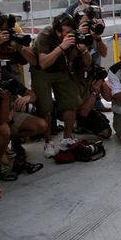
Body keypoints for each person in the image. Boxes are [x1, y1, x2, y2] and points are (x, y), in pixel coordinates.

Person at [31, 13, 81, 158]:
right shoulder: (45, 36)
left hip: (61, 69)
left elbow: (71, 58)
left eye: (70, 31)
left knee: (70, 102)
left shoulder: (73, 36)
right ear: (57, 31)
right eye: (65, 32)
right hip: (42, 72)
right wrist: (62, 46)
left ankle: (67, 138)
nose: (66, 35)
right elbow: (43, 63)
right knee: (45, 106)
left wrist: (79, 47)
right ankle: (48, 141)